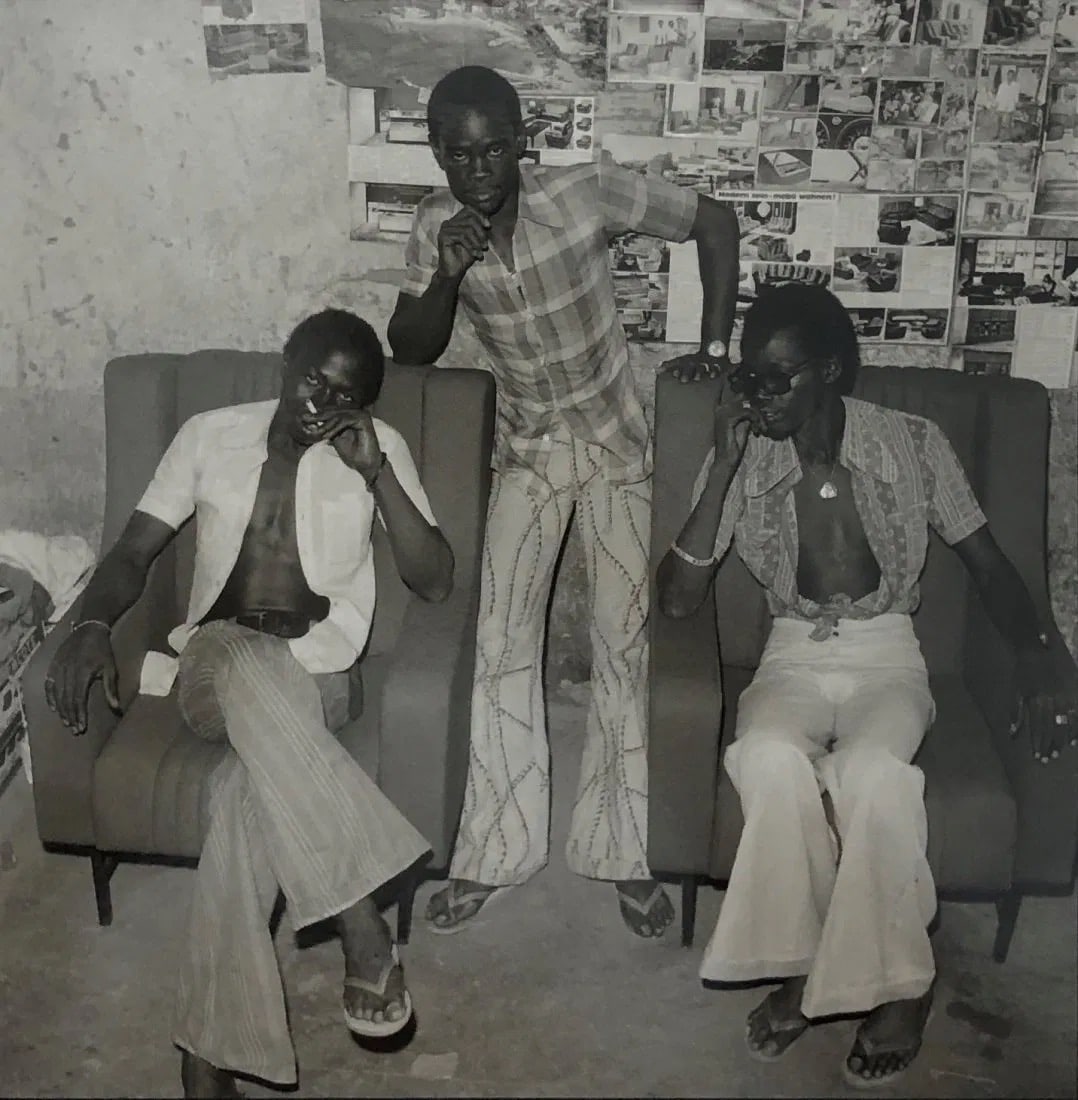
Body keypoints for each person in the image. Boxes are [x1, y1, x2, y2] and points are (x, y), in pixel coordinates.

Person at [656, 284, 1078, 1087]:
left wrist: (1040, 654)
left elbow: (990, 565)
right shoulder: (742, 450)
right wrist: (724, 467)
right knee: (766, 756)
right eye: (748, 377)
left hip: (888, 653)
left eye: (776, 379)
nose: (758, 396)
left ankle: (901, 986)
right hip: (793, 652)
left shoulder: (912, 443)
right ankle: (802, 965)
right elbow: (677, 601)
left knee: (876, 774)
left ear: (829, 371)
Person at [45, 310, 454, 1098]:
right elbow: (133, 550)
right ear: (284, 363)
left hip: (319, 678)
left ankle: (208, 1056)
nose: (320, 405)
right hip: (213, 664)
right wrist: (93, 623)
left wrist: (378, 474)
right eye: (312, 381)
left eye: (343, 397)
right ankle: (359, 915)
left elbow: (435, 579)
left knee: (245, 795)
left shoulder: (376, 450)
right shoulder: (209, 435)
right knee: (240, 652)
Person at [388, 65, 740, 938]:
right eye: (458, 154)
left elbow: (715, 222)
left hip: (616, 442)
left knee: (625, 644)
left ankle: (623, 855)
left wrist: (714, 348)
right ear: (437, 153)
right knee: (501, 638)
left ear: (522, 142)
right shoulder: (434, 226)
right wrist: (445, 277)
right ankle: (494, 853)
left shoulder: (583, 193)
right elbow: (411, 348)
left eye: (493, 150)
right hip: (531, 449)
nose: (477, 170)